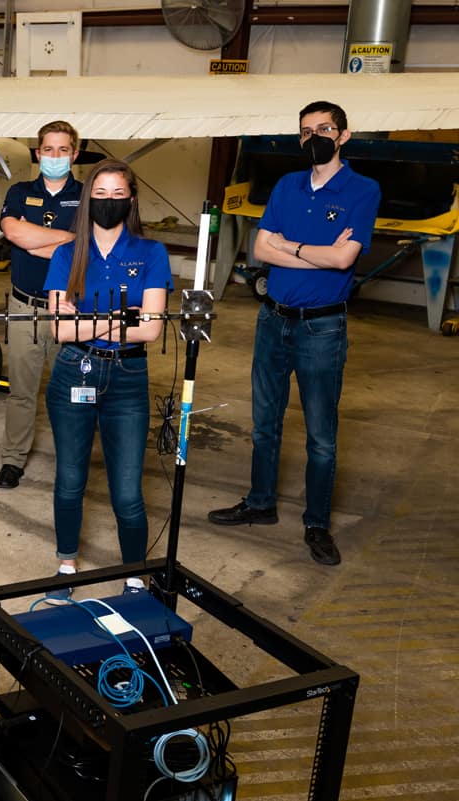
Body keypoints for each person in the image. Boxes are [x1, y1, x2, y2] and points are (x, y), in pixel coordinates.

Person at [208, 101, 379, 567]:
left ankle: (317, 523)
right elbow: (261, 246)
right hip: (273, 320)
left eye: (324, 129)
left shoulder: (362, 190)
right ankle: (260, 503)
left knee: (321, 433)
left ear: (343, 135)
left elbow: (345, 261)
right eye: (306, 132)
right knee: (265, 422)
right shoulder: (287, 185)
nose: (314, 137)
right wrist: (313, 251)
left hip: (322, 326)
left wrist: (291, 246)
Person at [43, 159, 171, 601]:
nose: (108, 202)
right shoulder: (67, 254)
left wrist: (89, 320)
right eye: (101, 194)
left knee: (127, 490)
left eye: (118, 195)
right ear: (88, 200)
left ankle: (135, 575)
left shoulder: (151, 253)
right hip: (73, 371)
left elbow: (151, 329)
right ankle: (66, 567)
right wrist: (118, 319)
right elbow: (59, 329)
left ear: (131, 200)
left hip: (128, 376)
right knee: (71, 478)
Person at [0, 121, 83, 490]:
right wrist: (66, 242)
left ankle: (73, 461)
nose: (55, 157)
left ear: (74, 154)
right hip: (23, 307)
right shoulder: (20, 191)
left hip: (70, 309)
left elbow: (89, 246)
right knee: (21, 389)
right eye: (48, 149)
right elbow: (13, 233)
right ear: (37, 153)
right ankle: (13, 460)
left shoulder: (88, 195)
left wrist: (36, 241)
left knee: (75, 392)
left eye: (64, 150)